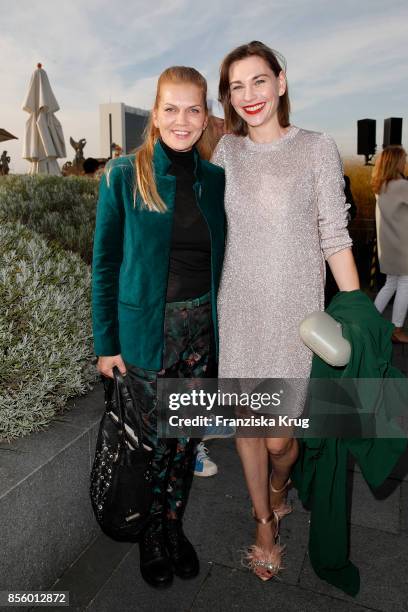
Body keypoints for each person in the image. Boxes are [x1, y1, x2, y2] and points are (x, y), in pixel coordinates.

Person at [212, 41, 360, 581]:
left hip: (296, 318)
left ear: (281, 81)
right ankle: (263, 523)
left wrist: (354, 308)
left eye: (258, 81)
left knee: (281, 441)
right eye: (236, 86)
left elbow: (334, 236)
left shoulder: (318, 148)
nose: (249, 95)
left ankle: (279, 486)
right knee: (247, 431)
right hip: (239, 307)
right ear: (228, 97)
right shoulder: (226, 153)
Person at [91, 66, 225, 588]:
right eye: (170, 108)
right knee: (152, 442)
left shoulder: (215, 179)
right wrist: (106, 344)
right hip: (147, 332)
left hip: (200, 334)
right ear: (155, 112)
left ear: (205, 115)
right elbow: (104, 264)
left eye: (193, 108)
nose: (182, 119)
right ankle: (150, 533)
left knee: (185, 439)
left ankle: (173, 527)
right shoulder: (125, 174)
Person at [372, 145, 408, 343]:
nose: (406, 162)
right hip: (403, 246)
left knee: (390, 284)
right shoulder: (402, 186)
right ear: (396, 162)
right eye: (404, 158)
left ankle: (370, 321)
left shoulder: (380, 186)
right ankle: (396, 328)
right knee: (405, 284)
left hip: (388, 247)